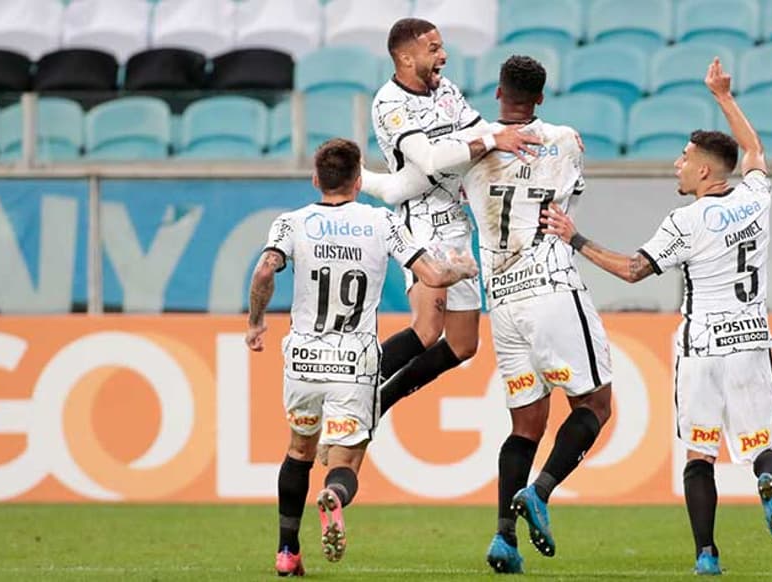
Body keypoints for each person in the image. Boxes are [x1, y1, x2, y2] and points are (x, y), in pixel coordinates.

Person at [542, 58, 772, 576]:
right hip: (749, 341)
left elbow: (634, 270)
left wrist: (576, 238)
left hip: (700, 347)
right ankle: (767, 481)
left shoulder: (685, 220)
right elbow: (755, 151)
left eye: (684, 159)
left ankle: (706, 554)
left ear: (704, 170)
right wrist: (724, 97)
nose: (677, 165)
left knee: (699, 457)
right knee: (763, 447)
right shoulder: (755, 199)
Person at [364, 55, 612, 574]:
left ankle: (504, 538)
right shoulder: (566, 139)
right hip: (551, 286)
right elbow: (569, 198)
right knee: (596, 403)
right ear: (540, 98)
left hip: (503, 301)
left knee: (526, 423)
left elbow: (407, 184)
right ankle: (540, 491)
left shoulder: (470, 155)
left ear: (498, 94)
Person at [245, 138, 478, 577]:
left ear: (316, 179)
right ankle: (334, 493)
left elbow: (263, 271)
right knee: (345, 461)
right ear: (357, 181)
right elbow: (432, 274)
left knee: (298, 450)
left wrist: (256, 323)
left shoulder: (291, 222)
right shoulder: (380, 221)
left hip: (303, 358)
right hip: (356, 362)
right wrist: (462, 270)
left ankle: (287, 551)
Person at [361, 17, 541, 417]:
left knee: (462, 345)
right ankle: (358, 382)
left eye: (442, 46)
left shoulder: (445, 89)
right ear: (406, 57)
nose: (443, 55)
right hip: (422, 221)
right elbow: (427, 159)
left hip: (458, 221)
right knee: (427, 329)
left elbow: (480, 128)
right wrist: (490, 141)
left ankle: (379, 399)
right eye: (434, 49)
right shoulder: (390, 102)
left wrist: (549, 133)